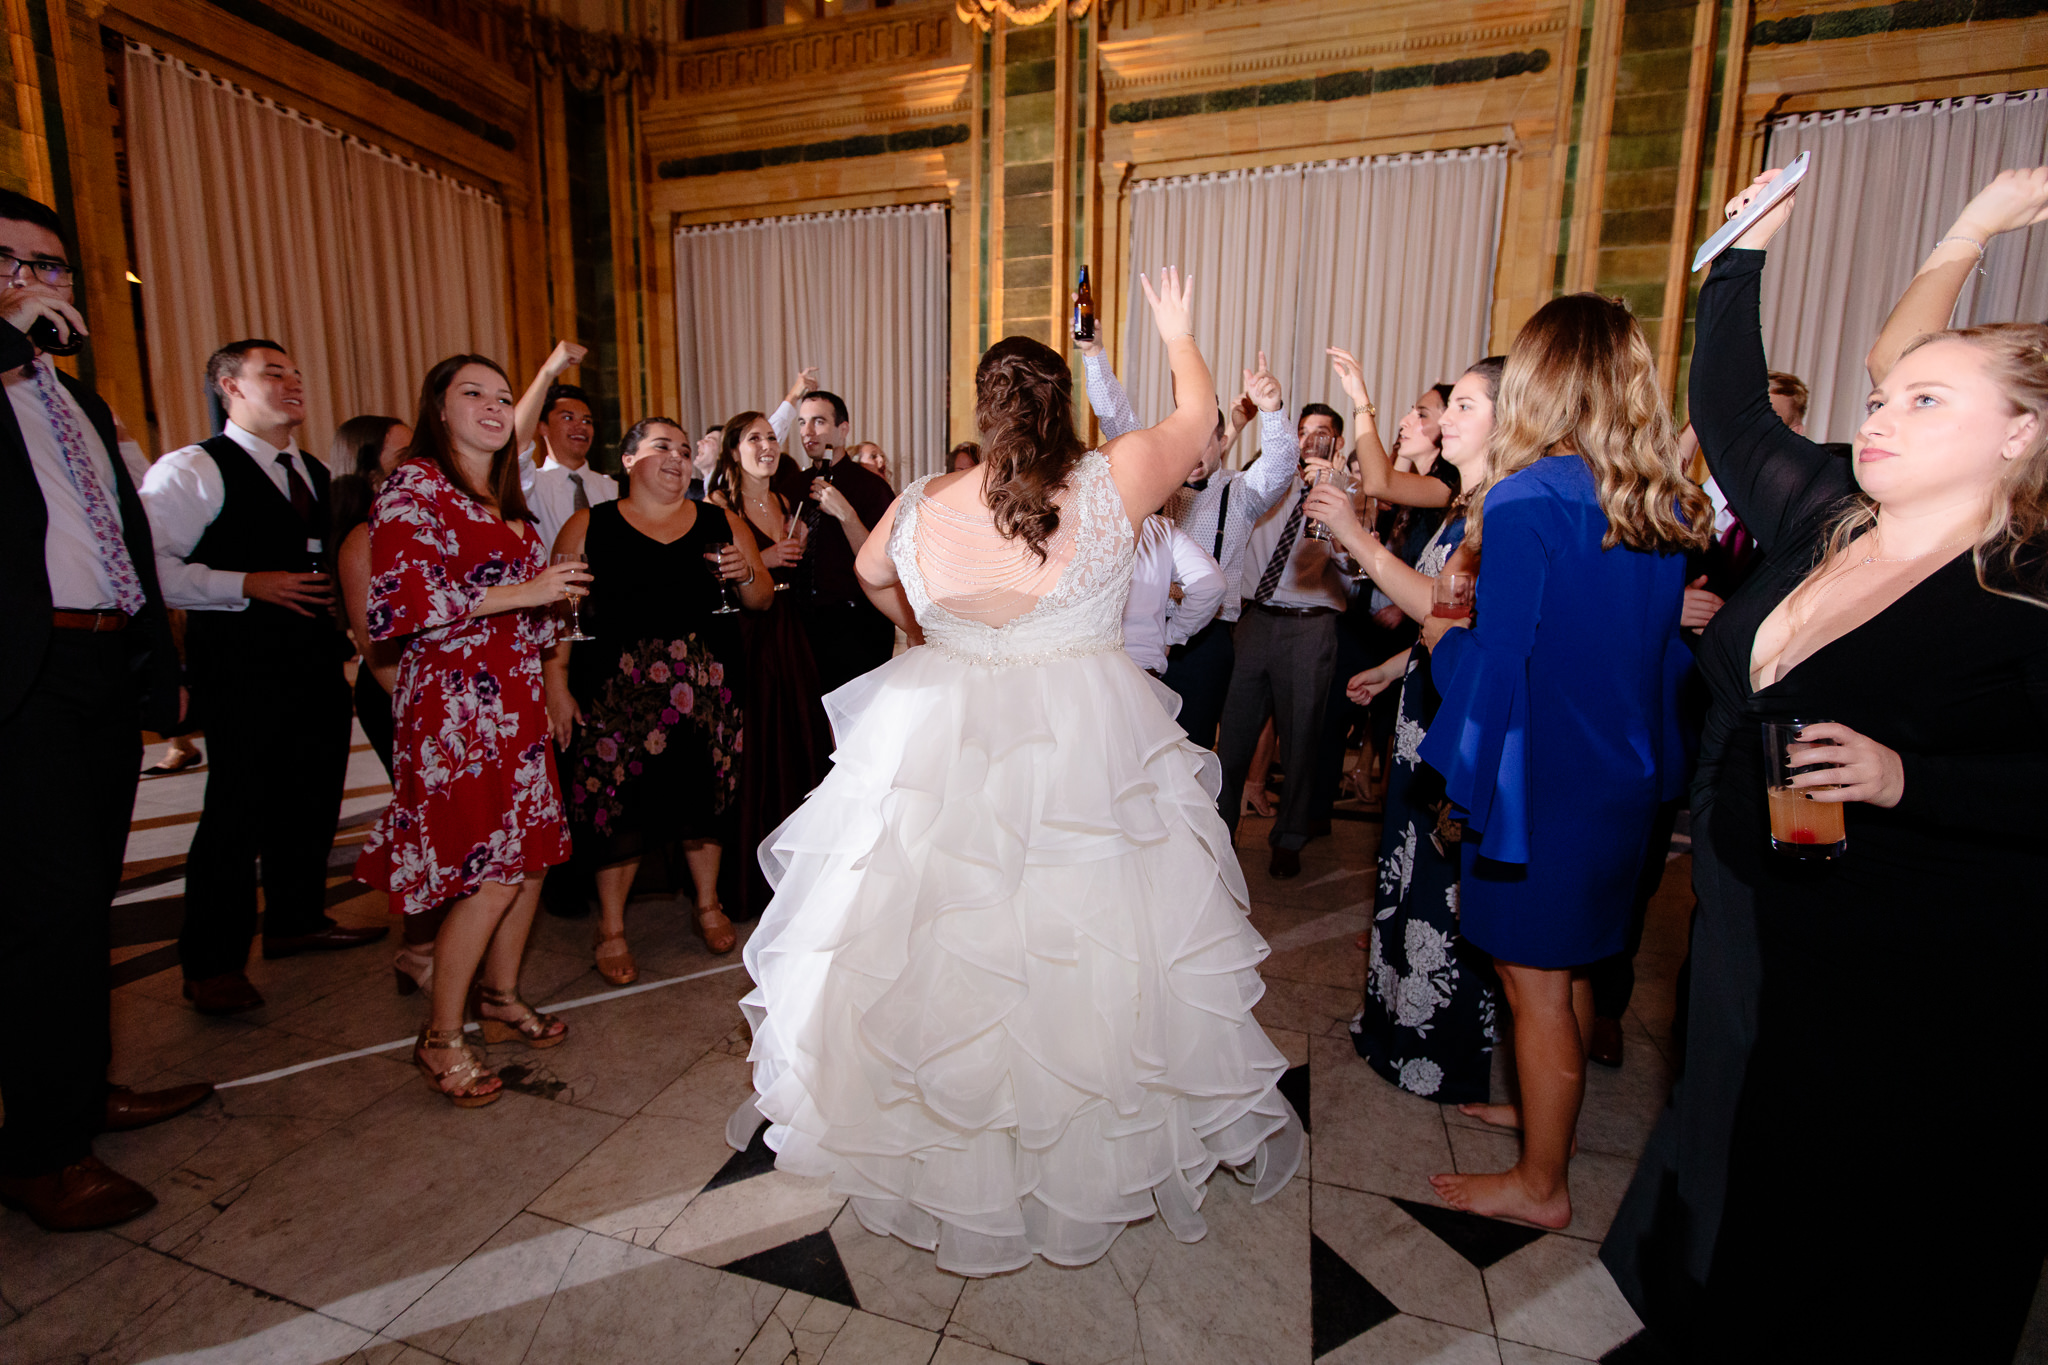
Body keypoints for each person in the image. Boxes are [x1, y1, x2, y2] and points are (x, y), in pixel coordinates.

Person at [730, 269, 1302, 1276]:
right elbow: (1201, 417)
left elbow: (871, 581)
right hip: (1084, 732)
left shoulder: (918, 502)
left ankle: (955, 1141)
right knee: (1085, 944)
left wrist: (928, 628)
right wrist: (1175, 331)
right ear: (1062, 408)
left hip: (943, 725)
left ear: (982, 413)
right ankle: (1082, 1141)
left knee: (944, 938)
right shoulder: (1116, 475)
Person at [1604, 167, 2048, 1362]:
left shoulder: (2023, 592)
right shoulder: (1825, 513)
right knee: (1727, 1138)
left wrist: (1916, 781)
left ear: (2021, 433)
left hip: (1914, 959)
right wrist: (1739, 257)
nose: (1884, 416)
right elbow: (1731, 408)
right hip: (1758, 897)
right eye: (1885, 395)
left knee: (1846, 1207)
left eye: (1924, 400)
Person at [1417, 293, 1705, 1230]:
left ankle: (1542, 1184)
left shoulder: (1526, 496)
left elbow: (1500, 662)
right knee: (1574, 970)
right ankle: (1550, 1121)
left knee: (1533, 984)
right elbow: (1662, 654)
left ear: (1540, 379)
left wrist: (1437, 648)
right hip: (1620, 778)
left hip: (1538, 784)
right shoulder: (1654, 499)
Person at [0, 189, 213, 1232]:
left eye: (49, 268)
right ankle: (41, 1151)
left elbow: (119, 531)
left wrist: (155, 673)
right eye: (10, 263)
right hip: (20, 676)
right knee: (43, 913)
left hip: (94, 668)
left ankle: (79, 1096)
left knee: (85, 904)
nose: (35, 285)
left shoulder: (74, 399)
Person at [356, 355, 590, 1107]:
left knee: (528, 862)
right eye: (473, 394)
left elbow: (521, 607)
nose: (493, 406)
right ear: (439, 406)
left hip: (515, 698)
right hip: (455, 707)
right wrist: (530, 588)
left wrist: (554, 623)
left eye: (501, 395)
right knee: (488, 875)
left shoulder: (505, 504)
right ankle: (440, 1035)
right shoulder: (414, 486)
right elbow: (401, 604)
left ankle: (500, 993)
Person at [141, 340, 385, 1016]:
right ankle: (211, 963)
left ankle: (296, 918)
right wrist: (243, 582)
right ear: (228, 386)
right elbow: (146, 562)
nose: (293, 383)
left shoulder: (305, 469)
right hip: (242, 664)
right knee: (236, 811)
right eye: (272, 373)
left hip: (311, 657)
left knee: (312, 793)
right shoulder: (193, 468)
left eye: (297, 372)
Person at [1306, 357, 1505, 1104]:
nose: (1444, 418)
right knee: (1403, 869)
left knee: (1442, 888)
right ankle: (1391, 1025)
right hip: (1425, 699)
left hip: (1459, 713)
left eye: (1463, 406)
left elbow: (1441, 607)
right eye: (1445, 406)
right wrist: (1394, 671)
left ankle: (1435, 1051)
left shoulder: (1499, 509)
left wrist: (1356, 535)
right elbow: (1446, 619)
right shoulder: (1464, 503)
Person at [545, 417, 768, 979]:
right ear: (627, 461)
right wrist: (555, 684)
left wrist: (746, 574)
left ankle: (708, 904)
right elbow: (558, 616)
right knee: (618, 809)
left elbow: (761, 597)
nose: (678, 457)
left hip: (707, 694)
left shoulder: (722, 521)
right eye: (662, 446)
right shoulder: (586, 525)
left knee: (703, 804)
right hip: (616, 699)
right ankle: (612, 927)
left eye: (686, 449)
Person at [1079, 334, 1293, 749]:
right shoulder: (1154, 479)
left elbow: (1281, 466)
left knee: (1191, 752)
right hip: (1139, 632)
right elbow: (1117, 420)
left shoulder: (1242, 491)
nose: (1195, 454)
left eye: (1205, 441)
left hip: (1205, 645)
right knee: (1131, 749)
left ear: (1220, 441)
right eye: (1188, 442)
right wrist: (1093, 354)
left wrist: (1272, 412)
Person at [1307, 374, 1461, 829]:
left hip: (1424, 641)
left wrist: (1361, 404)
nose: (1407, 420)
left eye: (1422, 413)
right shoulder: (1426, 488)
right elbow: (1378, 484)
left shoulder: (1452, 493)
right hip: (1404, 645)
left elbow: (1442, 603)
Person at [706, 411, 831, 923]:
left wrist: (793, 551)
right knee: (754, 749)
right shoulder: (719, 506)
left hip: (788, 631)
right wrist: (768, 558)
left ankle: (800, 870)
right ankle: (746, 880)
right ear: (733, 450)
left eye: (772, 437)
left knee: (798, 742)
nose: (768, 444)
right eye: (754, 437)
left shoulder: (783, 501)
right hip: (744, 636)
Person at [1214, 401, 1341, 879]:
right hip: (1255, 618)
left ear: (1337, 443)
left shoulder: (1347, 491)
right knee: (1235, 735)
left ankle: (1289, 837)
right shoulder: (1267, 478)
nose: (1309, 441)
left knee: (1302, 737)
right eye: (1302, 432)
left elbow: (1353, 565)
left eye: (1321, 433)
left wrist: (1332, 493)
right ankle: (1219, 834)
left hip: (1311, 623)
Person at [775, 388, 897, 693]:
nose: (807, 432)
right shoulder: (791, 487)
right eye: (802, 423)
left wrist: (846, 515)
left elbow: (887, 563)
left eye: (819, 422)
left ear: (842, 430)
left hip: (857, 625)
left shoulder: (871, 488)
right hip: (802, 623)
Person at [328, 414, 412, 778]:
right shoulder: (363, 537)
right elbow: (375, 644)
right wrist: (421, 706)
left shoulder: (411, 524)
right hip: (396, 688)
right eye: (406, 455)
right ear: (370, 474)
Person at [1122, 512, 1226, 679]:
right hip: (1144, 669)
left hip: (1089, 671)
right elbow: (1211, 585)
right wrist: (1170, 635)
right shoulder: (1160, 528)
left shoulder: (1075, 516)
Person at [524, 383, 616, 551]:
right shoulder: (531, 484)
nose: (580, 426)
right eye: (568, 418)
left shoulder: (611, 488)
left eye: (587, 421)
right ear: (543, 427)